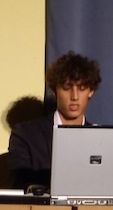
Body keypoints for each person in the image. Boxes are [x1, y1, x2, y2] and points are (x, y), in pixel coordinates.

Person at [8, 51, 102, 190]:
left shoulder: (100, 138)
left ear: (91, 91)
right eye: (67, 88)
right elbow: (19, 184)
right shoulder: (25, 134)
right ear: (54, 90)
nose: (74, 96)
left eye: (82, 88)